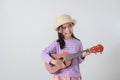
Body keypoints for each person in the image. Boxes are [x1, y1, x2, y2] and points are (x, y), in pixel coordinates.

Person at [41, 14, 89, 80]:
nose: (68, 30)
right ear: (59, 30)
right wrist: (53, 61)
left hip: (75, 75)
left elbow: (78, 61)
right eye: (64, 28)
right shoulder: (57, 43)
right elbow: (43, 53)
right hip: (60, 76)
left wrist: (82, 56)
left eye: (70, 26)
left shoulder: (78, 42)